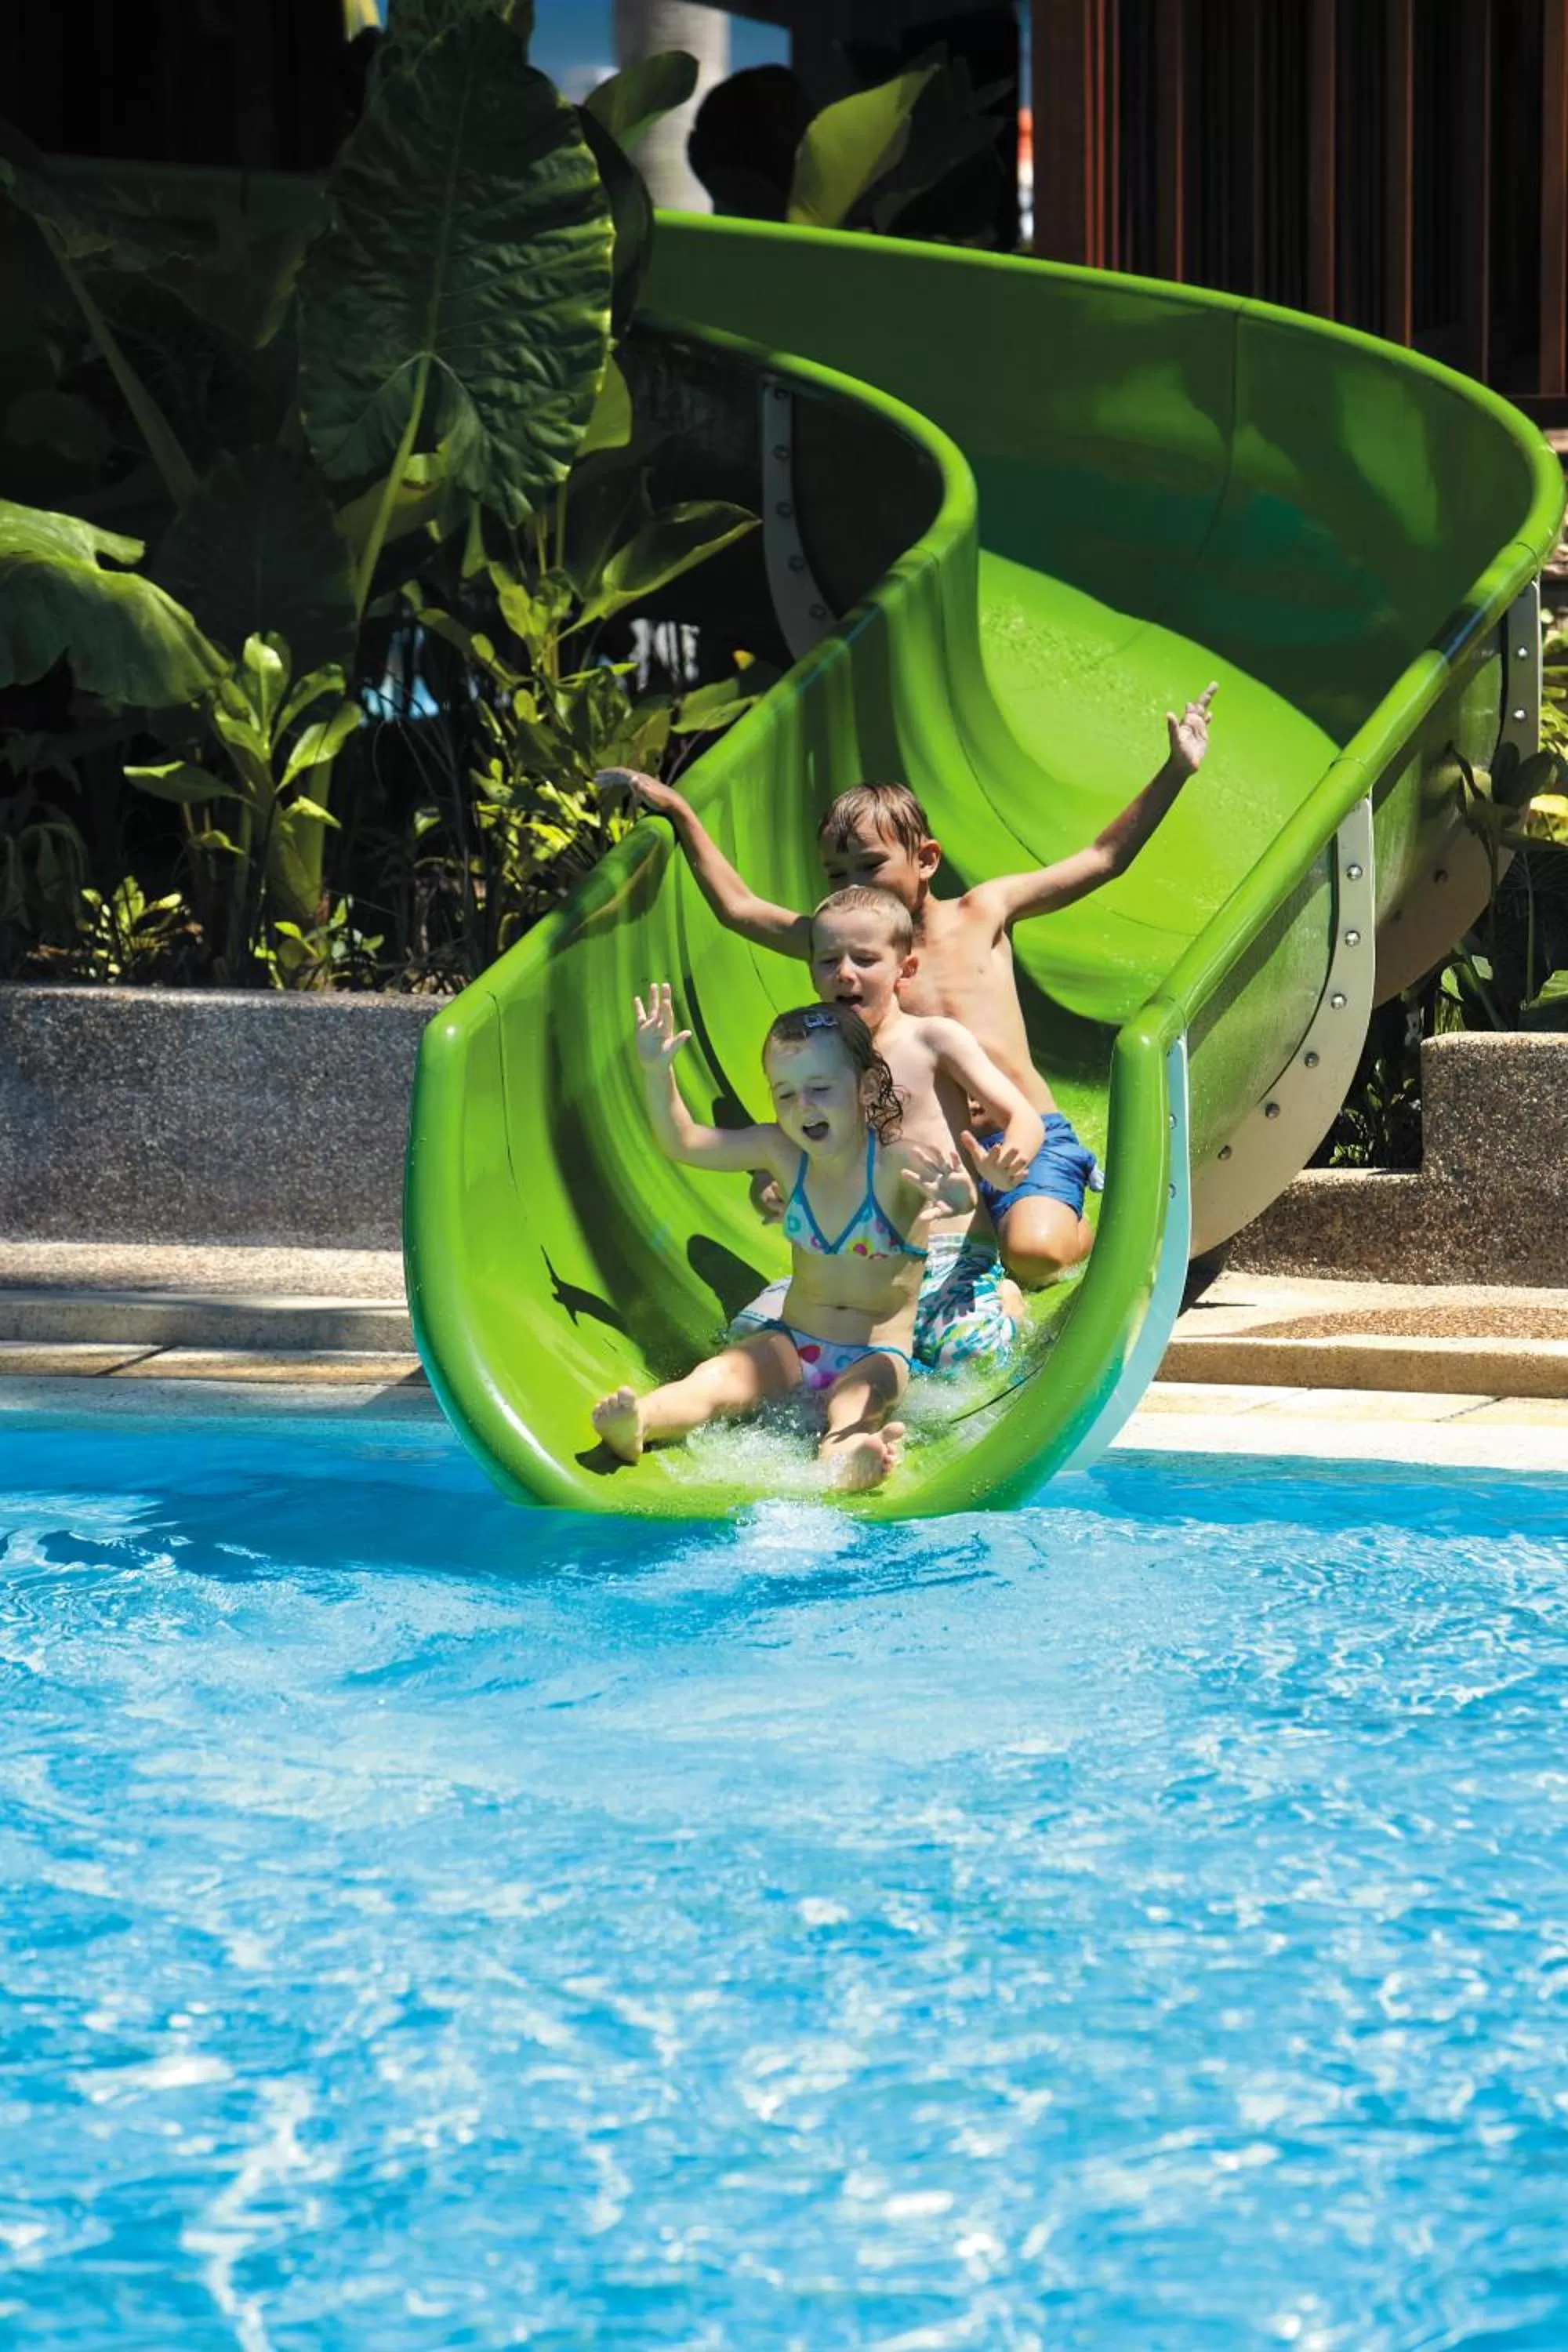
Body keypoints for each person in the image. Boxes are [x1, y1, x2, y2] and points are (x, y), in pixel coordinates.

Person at [598, 685, 1214, 1288]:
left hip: (1024, 1132)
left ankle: (1080, 1223)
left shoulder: (986, 910)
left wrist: (1176, 772)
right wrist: (679, 812)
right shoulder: (843, 947)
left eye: (870, 865)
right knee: (902, 1275)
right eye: (836, 873)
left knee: (1033, 1256)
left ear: (926, 859)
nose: (850, 883)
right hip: (931, 1154)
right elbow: (739, 908)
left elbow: (1102, 858)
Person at [590, 990, 1024, 1491]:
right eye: (786, 1093)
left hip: (875, 1353)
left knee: (857, 1401)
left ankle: (848, 1455)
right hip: (794, 1342)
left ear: (864, 1089)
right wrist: (654, 1070)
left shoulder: (893, 1162)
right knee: (719, 1377)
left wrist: (958, 1192)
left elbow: (956, 1189)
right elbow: (683, 1142)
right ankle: (641, 1420)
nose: (803, 1107)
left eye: (820, 1087)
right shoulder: (780, 1151)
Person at [733, 884, 1040, 1371]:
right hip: (849, 1267)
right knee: (748, 1337)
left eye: (864, 958)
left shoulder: (933, 1039)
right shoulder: (806, 1057)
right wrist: (769, 1192)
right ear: (813, 972)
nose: (845, 973)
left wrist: (1010, 1159)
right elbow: (790, 1152)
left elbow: (1022, 1116)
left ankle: (1004, 1297)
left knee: (967, 1355)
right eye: (829, 960)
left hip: (945, 1252)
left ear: (906, 970)